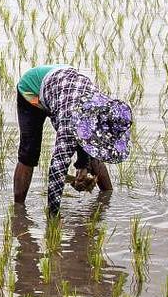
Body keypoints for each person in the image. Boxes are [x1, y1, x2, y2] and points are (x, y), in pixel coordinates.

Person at [12, 65, 133, 216]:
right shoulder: (69, 123)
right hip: (32, 90)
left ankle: (106, 200)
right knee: (29, 151)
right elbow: (57, 170)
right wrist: (53, 219)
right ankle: (18, 211)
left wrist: (84, 166)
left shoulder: (103, 109)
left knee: (96, 146)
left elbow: (91, 143)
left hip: (65, 91)